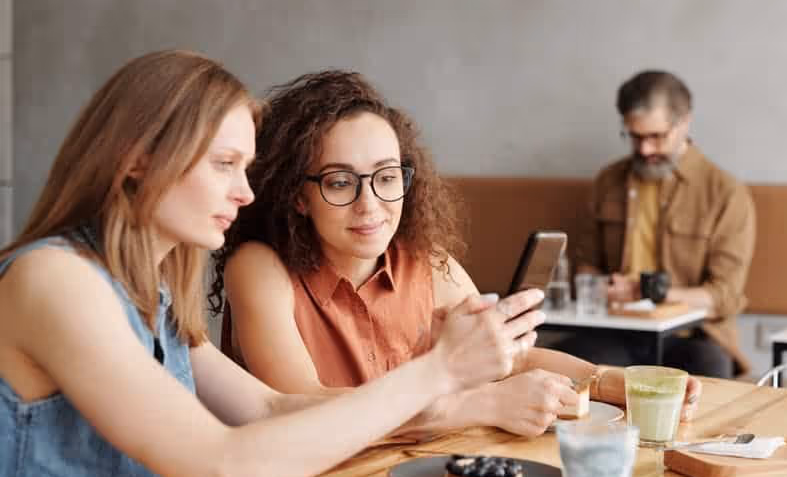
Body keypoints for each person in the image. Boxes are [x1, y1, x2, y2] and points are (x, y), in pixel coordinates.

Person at [0, 51, 544, 477]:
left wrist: (445, 400)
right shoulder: (54, 279)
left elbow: (269, 407)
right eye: (224, 164)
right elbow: (222, 474)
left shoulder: (151, 291)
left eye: (245, 166)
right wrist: (438, 372)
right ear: (138, 160)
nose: (247, 191)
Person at [211, 70, 702, 436]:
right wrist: (481, 405)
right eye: (340, 182)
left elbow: (512, 358)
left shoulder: (426, 261)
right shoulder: (258, 266)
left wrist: (622, 385)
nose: (370, 205)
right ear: (298, 194)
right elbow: (302, 408)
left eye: (386, 178)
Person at [568, 70, 756, 378]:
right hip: (616, 331)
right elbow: (587, 266)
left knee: (709, 372)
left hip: (695, 337)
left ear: (684, 123)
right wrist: (600, 288)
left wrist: (646, 293)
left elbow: (725, 296)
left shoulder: (726, 193)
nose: (644, 150)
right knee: (568, 369)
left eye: (656, 137)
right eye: (635, 136)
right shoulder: (607, 181)